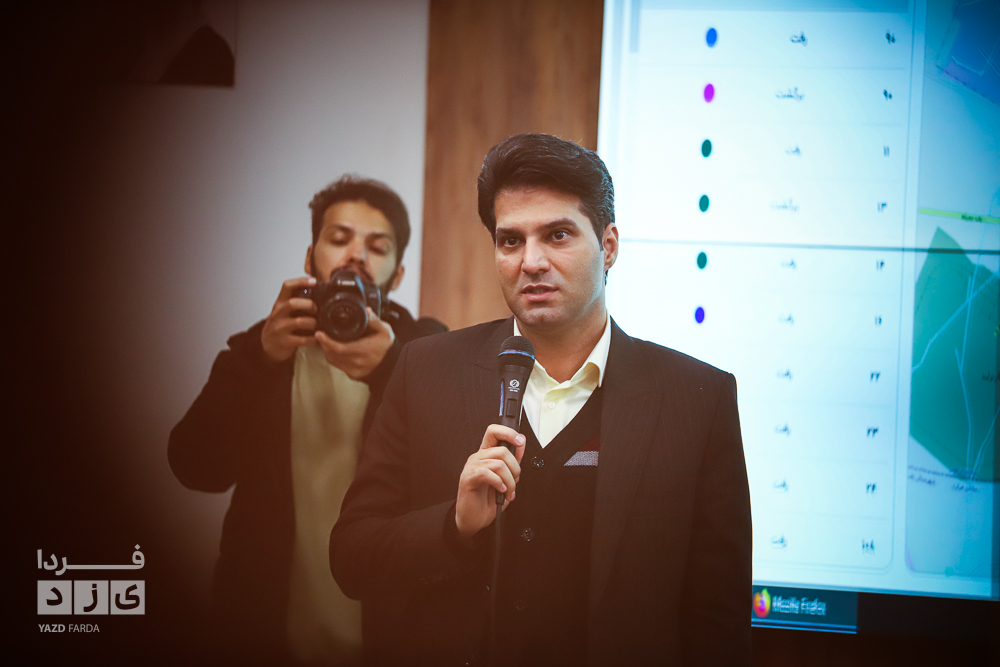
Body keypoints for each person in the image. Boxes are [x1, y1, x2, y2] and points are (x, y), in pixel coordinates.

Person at [330, 134, 752, 666]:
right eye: (510, 241)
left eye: (557, 235)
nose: (531, 262)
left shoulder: (697, 400)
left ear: (609, 246)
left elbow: (719, 621)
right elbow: (352, 559)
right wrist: (454, 527)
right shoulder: (425, 371)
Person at [168, 175, 446, 665]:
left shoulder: (425, 350)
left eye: (377, 247)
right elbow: (194, 467)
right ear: (309, 257)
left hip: (391, 633)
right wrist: (258, 359)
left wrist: (390, 369)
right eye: (339, 239)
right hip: (264, 633)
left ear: (398, 274)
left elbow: (449, 476)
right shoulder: (264, 348)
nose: (356, 256)